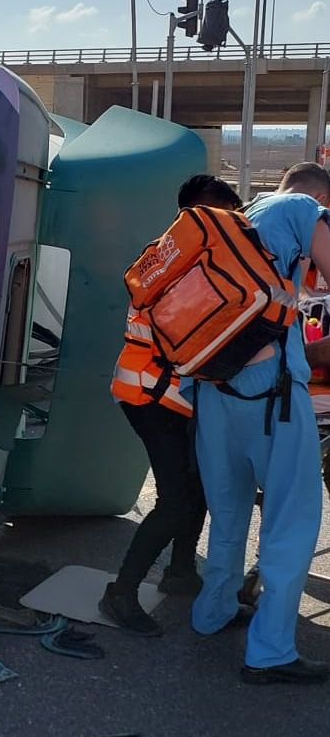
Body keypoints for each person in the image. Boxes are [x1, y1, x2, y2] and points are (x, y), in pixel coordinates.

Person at [190, 162, 330, 685]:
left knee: (227, 512)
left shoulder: (237, 215)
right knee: (291, 520)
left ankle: (213, 611)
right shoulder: (304, 210)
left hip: (214, 388)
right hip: (273, 395)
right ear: (321, 196)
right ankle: (270, 652)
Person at [101, 174, 243, 636]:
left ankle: (181, 573)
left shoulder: (176, 255)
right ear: (196, 217)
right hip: (151, 395)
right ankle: (121, 593)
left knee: (197, 486)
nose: (233, 227)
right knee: (177, 500)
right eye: (224, 218)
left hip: (171, 394)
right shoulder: (179, 263)